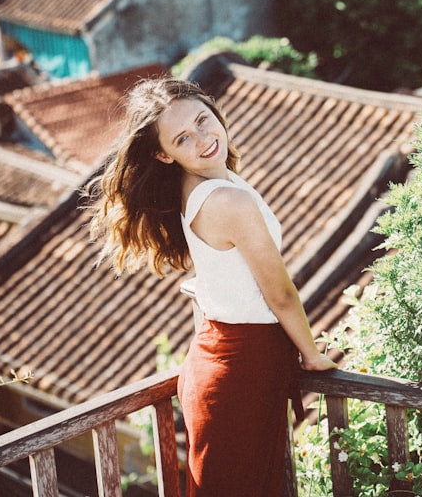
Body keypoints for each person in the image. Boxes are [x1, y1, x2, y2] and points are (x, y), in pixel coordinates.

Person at [87, 77, 337, 495]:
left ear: (214, 110)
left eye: (204, 120)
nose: (204, 139)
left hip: (223, 364)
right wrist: (312, 355)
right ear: (163, 155)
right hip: (241, 374)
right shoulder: (226, 200)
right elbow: (279, 294)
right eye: (183, 138)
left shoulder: (196, 185)